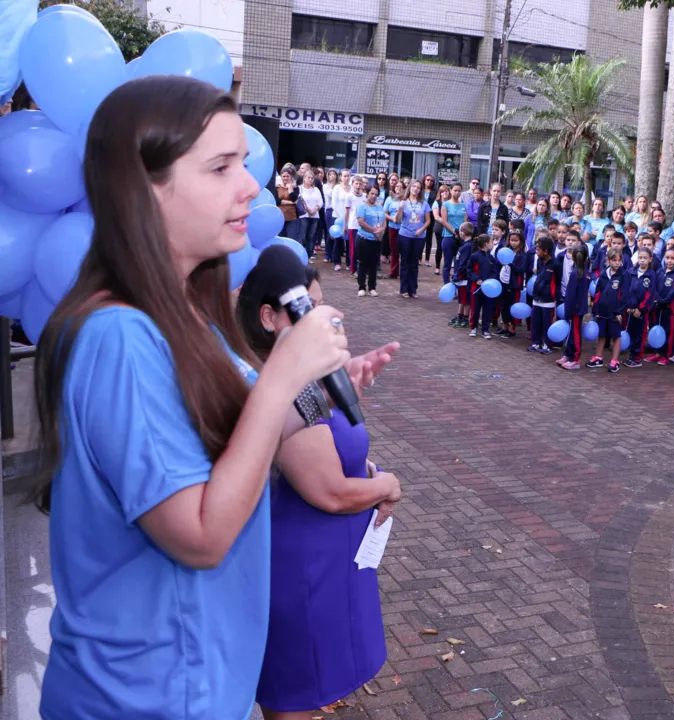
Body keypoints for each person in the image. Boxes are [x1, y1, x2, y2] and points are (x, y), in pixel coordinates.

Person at [31, 76, 369, 719]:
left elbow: (233, 442)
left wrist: (302, 387)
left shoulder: (186, 315)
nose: (250, 186)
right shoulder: (121, 335)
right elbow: (201, 535)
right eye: (220, 167)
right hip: (145, 697)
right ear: (142, 189)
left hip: (196, 682)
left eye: (243, 163)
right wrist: (277, 379)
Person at [235, 248, 401, 719]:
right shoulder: (276, 386)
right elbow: (327, 490)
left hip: (328, 561)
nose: (326, 327)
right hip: (300, 570)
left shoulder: (307, 383)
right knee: (295, 700)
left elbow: (337, 457)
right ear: (269, 317)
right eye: (307, 312)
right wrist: (386, 485)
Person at [395, 179, 430, 298]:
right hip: (405, 235)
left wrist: (421, 229)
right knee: (405, 262)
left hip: (419, 237)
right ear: (410, 187)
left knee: (414, 263)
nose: (415, 189)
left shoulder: (424, 203)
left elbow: (428, 220)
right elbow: (398, 220)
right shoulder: (403, 201)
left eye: (418, 187)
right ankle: (403, 289)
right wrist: (400, 208)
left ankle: (413, 289)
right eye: (414, 186)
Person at [354, 185, 386, 297]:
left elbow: (384, 220)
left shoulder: (379, 207)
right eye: (372, 193)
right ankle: (361, 287)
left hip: (377, 240)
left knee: (374, 264)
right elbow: (361, 222)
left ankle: (372, 287)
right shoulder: (362, 207)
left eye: (376, 194)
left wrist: (381, 231)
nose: (374, 196)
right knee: (363, 263)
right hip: (364, 239)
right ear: (367, 193)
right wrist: (374, 230)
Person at [529, 235, 559, 353]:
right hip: (537, 298)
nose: (536, 251)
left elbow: (557, 280)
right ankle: (535, 343)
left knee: (547, 323)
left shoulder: (555, 264)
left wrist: (554, 295)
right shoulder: (540, 261)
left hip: (548, 300)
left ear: (545, 251)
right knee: (535, 322)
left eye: (538, 249)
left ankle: (547, 344)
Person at [467, 234, 499, 338]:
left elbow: (495, 271)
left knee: (488, 310)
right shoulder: (475, 256)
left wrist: (490, 280)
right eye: (491, 241)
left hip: (488, 289)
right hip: (476, 289)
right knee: (475, 309)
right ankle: (474, 328)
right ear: (486, 244)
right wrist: (476, 279)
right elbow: (469, 270)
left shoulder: (491, 258)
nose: (493, 243)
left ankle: (485, 329)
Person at [297, 170, 323, 260]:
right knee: (302, 235)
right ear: (304, 178)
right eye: (308, 178)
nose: (310, 180)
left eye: (312, 178)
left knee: (311, 235)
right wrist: (309, 210)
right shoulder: (299, 188)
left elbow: (321, 201)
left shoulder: (316, 190)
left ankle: (309, 254)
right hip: (304, 215)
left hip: (314, 215)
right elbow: (300, 201)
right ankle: (300, 255)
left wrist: (315, 209)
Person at [383, 180, 405, 279]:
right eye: (397, 187)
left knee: (404, 251)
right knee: (394, 251)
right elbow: (385, 213)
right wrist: (392, 218)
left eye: (401, 187)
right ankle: (393, 272)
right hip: (392, 227)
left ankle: (404, 272)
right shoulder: (389, 199)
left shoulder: (406, 200)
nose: (398, 189)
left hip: (404, 229)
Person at [277, 168, 300, 242]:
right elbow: (277, 201)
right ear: (281, 177)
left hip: (292, 217)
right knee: (280, 238)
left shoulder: (295, 188)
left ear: (291, 177)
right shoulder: (277, 188)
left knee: (291, 239)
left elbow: (294, 199)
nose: (285, 178)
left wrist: (290, 188)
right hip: (280, 216)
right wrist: (290, 203)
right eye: (284, 176)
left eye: (287, 176)